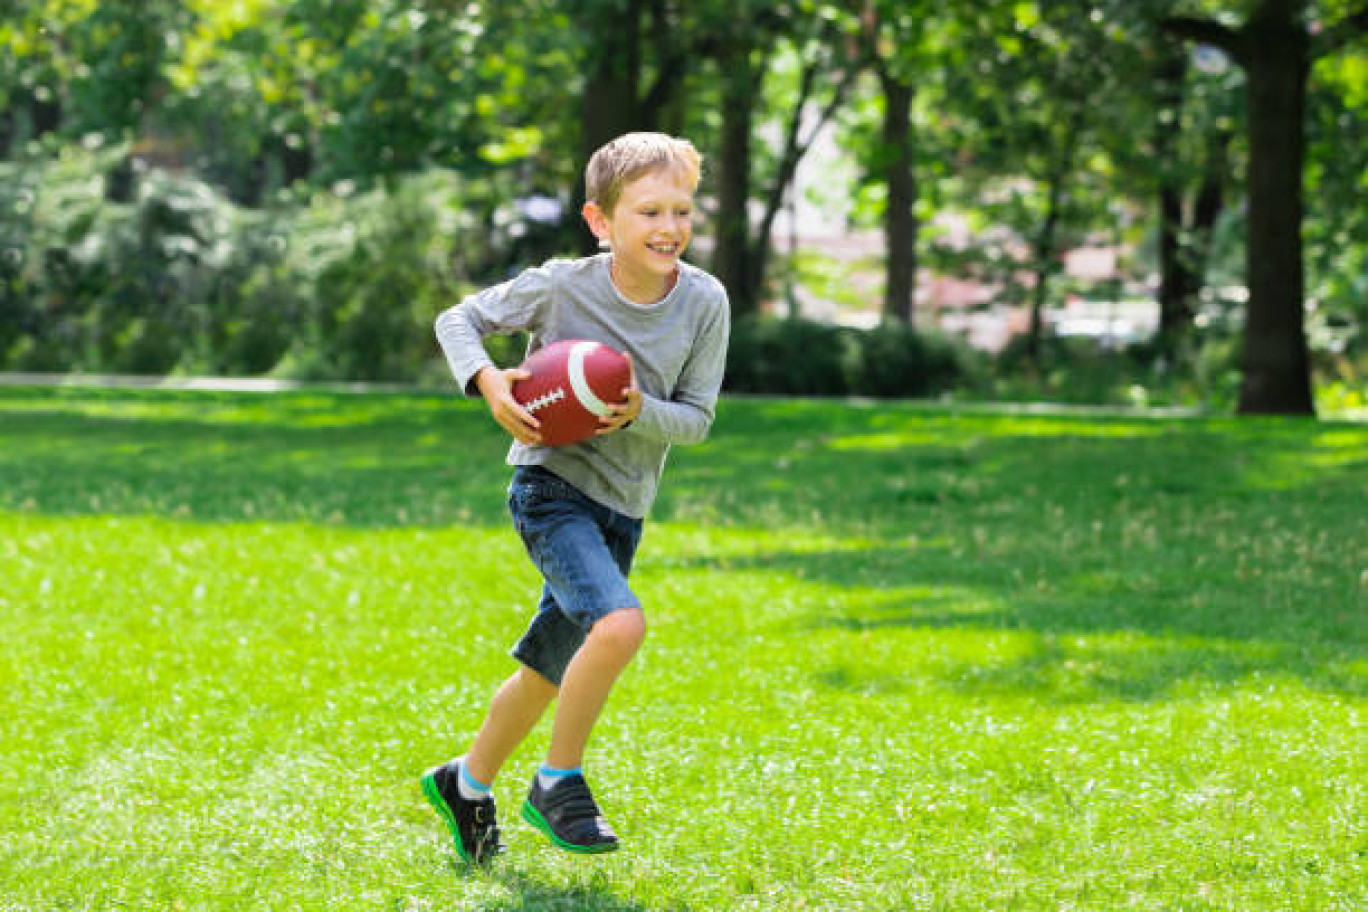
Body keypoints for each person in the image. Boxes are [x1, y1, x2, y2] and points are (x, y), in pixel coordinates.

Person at [423, 132, 729, 863]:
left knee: (543, 673)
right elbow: (456, 319)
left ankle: (464, 785)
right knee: (619, 626)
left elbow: (697, 419)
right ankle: (558, 782)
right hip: (551, 488)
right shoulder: (563, 285)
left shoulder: (705, 301)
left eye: (681, 211)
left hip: (623, 507)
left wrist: (634, 412)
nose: (669, 228)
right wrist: (489, 380)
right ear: (601, 221)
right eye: (649, 211)